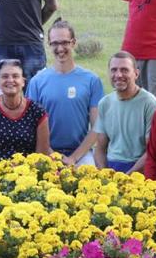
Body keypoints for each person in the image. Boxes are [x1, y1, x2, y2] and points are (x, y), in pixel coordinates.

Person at [25, 20, 104, 165]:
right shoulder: (37, 82)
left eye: (64, 42)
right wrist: (53, 155)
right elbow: (31, 126)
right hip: (46, 153)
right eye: (55, 43)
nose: (60, 48)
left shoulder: (91, 80)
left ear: (73, 43)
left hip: (81, 154)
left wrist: (73, 158)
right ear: (48, 44)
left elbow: (97, 127)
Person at [93, 51, 156, 174]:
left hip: (138, 169)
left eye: (124, 70)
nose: (118, 75)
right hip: (111, 166)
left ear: (136, 74)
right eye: (114, 70)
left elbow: (152, 151)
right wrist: (104, 174)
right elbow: (100, 149)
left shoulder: (149, 103)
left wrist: (127, 177)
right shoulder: (105, 103)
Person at [0, 59, 51, 160]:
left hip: (28, 172)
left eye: (15, 76)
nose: (10, 80)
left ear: (23, 82)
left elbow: (41, 156)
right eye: (5, 76)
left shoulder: (37, 111)